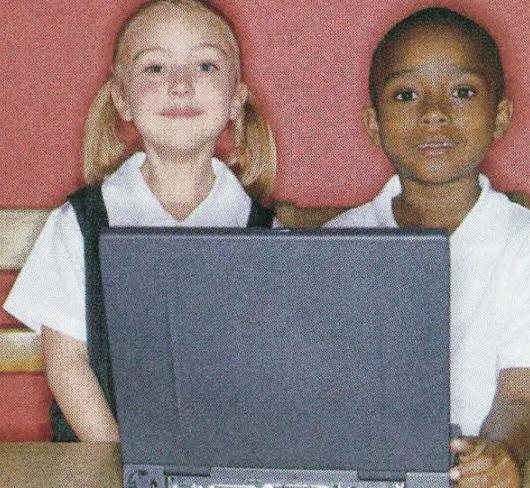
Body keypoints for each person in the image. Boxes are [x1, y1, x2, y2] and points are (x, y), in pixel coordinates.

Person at [4, 0, 277, 442]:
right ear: (122, 99)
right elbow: (67, 363)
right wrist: (124, 463)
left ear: (236, 100)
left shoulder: (267, 232)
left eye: (205, 65)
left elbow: (270, 371)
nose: (181, 85)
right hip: (106, 461)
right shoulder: (80, 223)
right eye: (155, 68)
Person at [325, 7, 530, 487]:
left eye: (462, 92)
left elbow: (520, 395)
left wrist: (500, 453)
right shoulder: (335, 244)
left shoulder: (524, 242)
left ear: (501, 115)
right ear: (374, 124)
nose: (434, 112)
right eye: (406, 94)